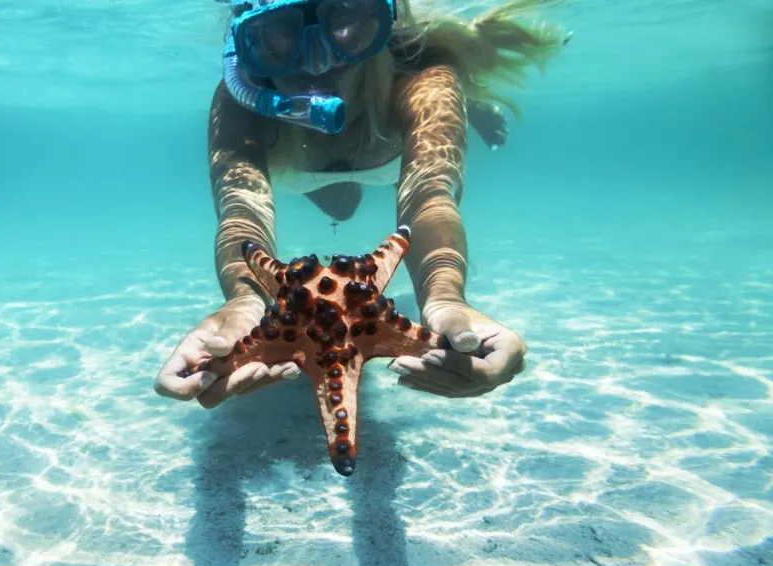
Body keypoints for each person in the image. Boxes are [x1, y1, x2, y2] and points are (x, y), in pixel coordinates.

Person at [155, 0, 571, 407]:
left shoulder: (422, 81)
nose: (316, 63)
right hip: (307, 169)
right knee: (341, 208)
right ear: (243, 45)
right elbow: (241, 210)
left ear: (383, 20)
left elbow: (429, 196)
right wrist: (243, 300)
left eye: (344, 13)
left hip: (387, 137)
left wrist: (445, 296)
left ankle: (470, 103)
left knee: (439, 100)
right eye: (280, 30)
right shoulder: (237, 103)